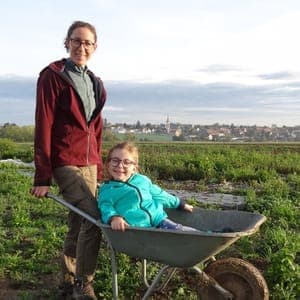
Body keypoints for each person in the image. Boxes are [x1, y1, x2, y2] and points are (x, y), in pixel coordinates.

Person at [30, 20, 106, 300]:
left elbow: (96, 130)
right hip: (65, 162)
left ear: (94, 48)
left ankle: (66, 279)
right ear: (67, 42)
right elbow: (44, 124)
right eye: (76, 40)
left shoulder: (96, 83)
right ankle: (82, 283)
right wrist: (42, 177)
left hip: (89, 164)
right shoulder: (52, 76)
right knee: (94, 220)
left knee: (78, 222)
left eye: (87, 43)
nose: (81, 47)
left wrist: (98, 169)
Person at [98, 142, 197, 232]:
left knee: (182, 232)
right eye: (115, 161)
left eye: (126, 162)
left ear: (134, 168)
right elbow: (105, 207)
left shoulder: (142, 180)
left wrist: (179, 203)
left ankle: (204, 236)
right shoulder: (107, 190)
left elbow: (160, 195)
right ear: (108, 164)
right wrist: (114, 217)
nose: (120, 165)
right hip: (136, 228)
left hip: (160, 221)